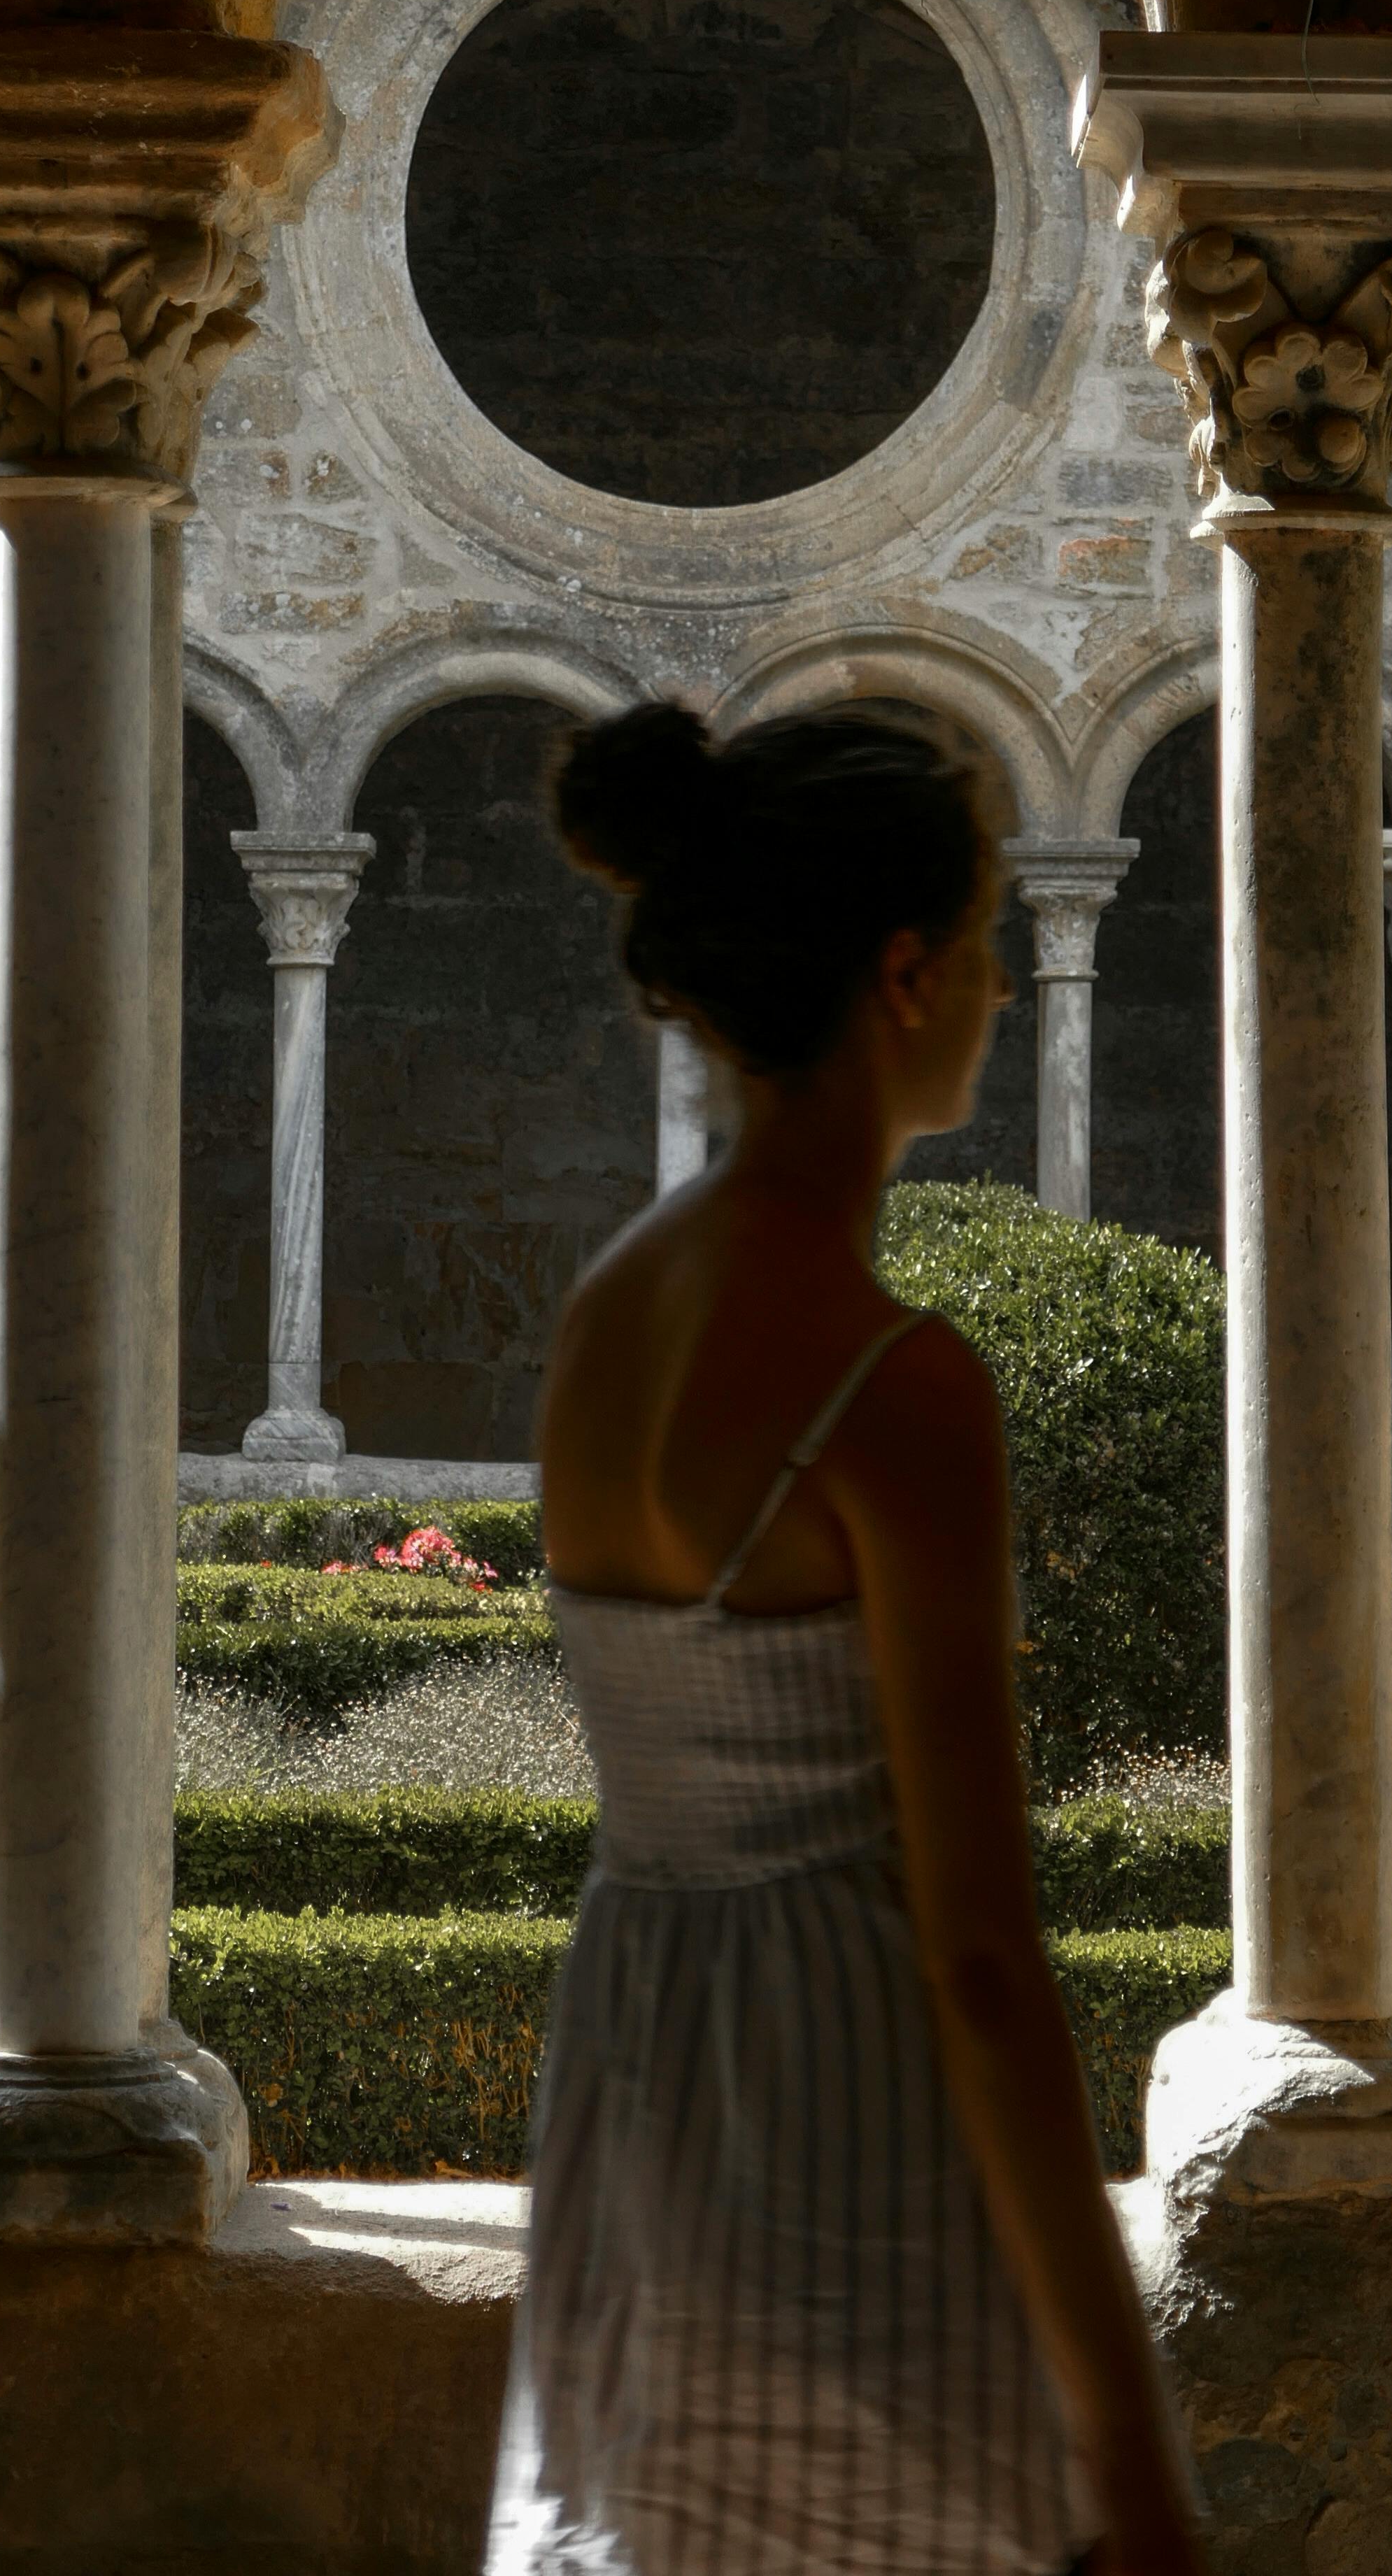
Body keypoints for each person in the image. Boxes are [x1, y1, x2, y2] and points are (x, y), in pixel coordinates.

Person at [487, 702, 1205, 2576]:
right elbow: (977, 1956)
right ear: (906, 975)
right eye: (981, 947)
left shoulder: (606, 1314)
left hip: (637, 2041)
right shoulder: (897, 1389)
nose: (1004, 991)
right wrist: (1126, 2439)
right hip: (832, 2073)